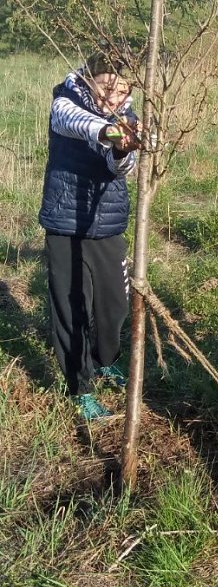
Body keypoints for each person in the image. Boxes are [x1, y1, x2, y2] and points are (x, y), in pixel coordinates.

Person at [39, 50, 140, 420]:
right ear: (87, 81)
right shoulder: (66, 102)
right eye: (104, 87)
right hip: (66, 223)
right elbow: (77, 123)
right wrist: (111, 131)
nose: (111, 97)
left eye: (119, 88)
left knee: (114, 305)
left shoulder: (129, 118)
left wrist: (121, 149)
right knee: (71, 307)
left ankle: (106, 359)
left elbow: (121, 167)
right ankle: (79, 387)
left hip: (108, 224)